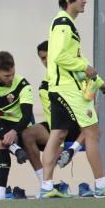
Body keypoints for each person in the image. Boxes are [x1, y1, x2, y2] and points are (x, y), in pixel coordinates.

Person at [39, 0, 105, 198]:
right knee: (92, 133)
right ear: (69, 0)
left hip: (60, 88)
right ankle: (101, 184)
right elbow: (59, 56)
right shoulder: (63, 24)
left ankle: (46, 188)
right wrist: (85, 67)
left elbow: (74, 58)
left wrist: (99, 82)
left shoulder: (65, 23)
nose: (85, 0)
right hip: (69, 91)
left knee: (58, 134)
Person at [0, 51, 50, 199]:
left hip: (21, 128)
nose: (11, 78)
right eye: (7, 76)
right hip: (0, 128)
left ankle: (44, 186)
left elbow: (26, 117)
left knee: (2, 141)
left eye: (13, 73)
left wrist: (13, 132)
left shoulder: (23, 85)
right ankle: (1, 191)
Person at [36, 40, 85, 169]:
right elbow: (51, 113)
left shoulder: (73, 72)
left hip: (79, 122)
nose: (46, 61)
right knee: (28, 134)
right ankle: (47, 184)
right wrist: (59, 142)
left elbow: (88, 93)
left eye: (48, 56)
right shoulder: (45, 86)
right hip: (60, 126)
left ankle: (71, 151)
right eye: (43, 58)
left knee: (95, 113)